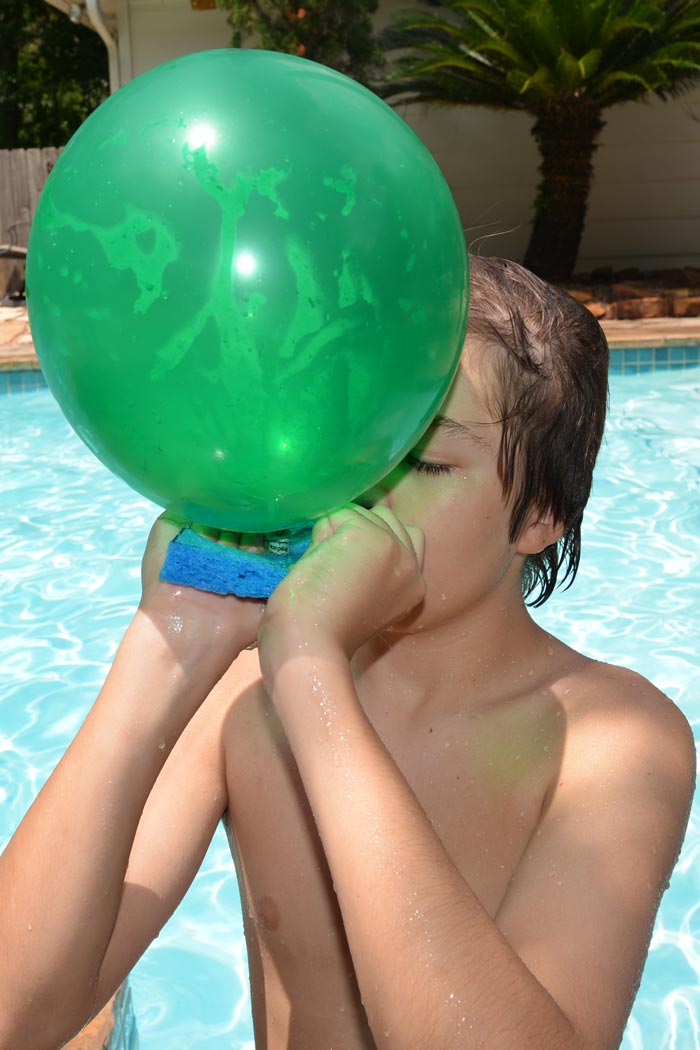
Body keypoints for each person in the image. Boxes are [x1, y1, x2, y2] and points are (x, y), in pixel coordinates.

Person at [0, 256, 694, 1050]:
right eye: (352, 438)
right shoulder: (237, 695)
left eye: (425, 461)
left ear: (539, 515)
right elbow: (16, 1017)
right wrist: (170, 643)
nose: (363, 488)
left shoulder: (614, 739)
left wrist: (311, 672)